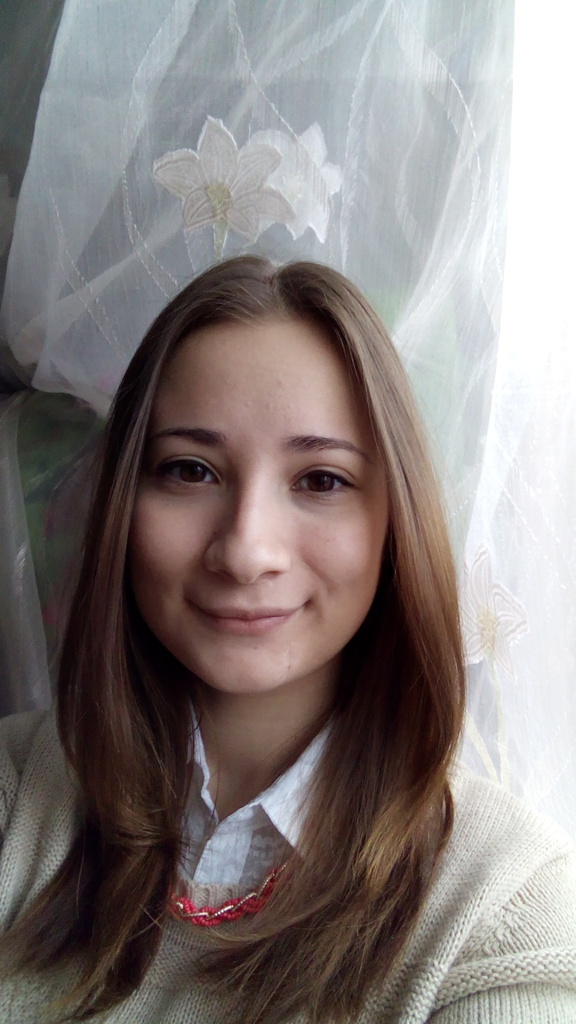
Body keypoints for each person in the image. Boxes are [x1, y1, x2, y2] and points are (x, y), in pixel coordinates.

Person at [0, 256, 575, 1024]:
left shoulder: (506, 911)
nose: (246, 552)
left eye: (321, 480)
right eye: (190, 470)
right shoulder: (15, 796)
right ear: (122, 504)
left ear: (395, 521)